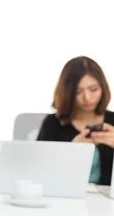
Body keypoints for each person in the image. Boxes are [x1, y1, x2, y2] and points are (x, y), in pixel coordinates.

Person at [37, 56, 114, 185]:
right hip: (65, 198)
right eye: (78, 92)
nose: (87, 98)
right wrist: (71, 151)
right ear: (67, 92)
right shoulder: (53, 124)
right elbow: (38, 172)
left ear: (103, 87)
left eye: (93, 89)